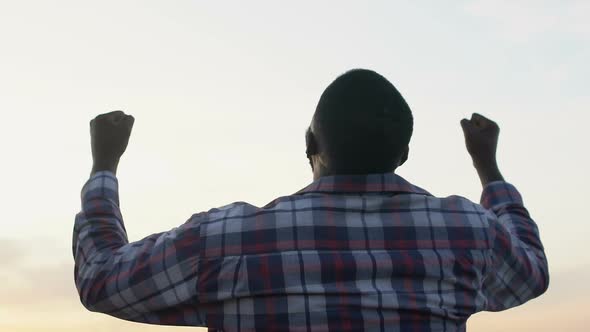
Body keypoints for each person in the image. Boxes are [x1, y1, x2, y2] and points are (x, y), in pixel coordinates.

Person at [73, 69, 549, 331]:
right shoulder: (467, 232)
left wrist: (105, 165)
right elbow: (530, 274)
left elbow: (101, 280)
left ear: (309, 145)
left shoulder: (222, 241)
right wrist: (487, 167)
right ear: (403, 154)